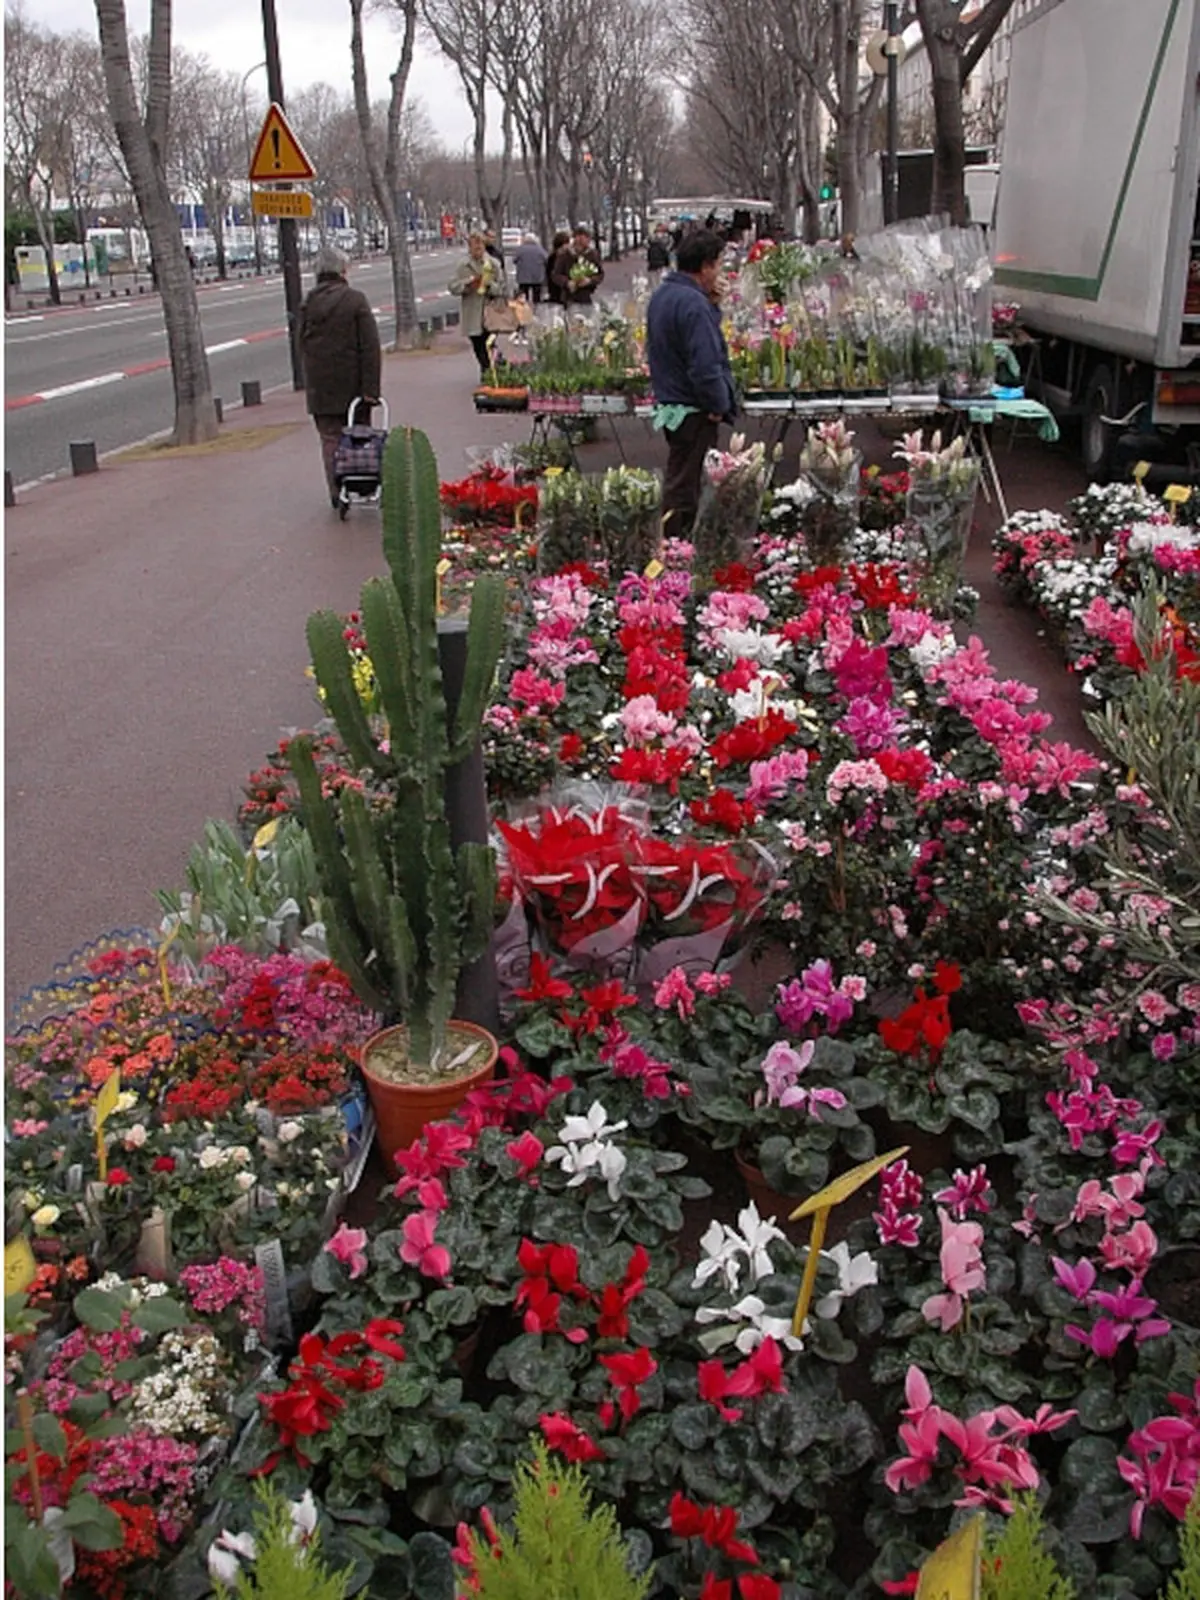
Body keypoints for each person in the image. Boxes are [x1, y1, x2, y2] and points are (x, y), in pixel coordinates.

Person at [645, 228, 736, 539]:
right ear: (705, 266)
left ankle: (675, 542)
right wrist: (717, 404)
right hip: (693, 408)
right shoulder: (692, 304)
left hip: (673, 403)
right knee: (688, 484)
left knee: (681, 475)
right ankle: (677, 546)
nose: (720, 272)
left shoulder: (664, 295)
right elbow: (704, 364)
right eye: (719, 265)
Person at [298, 244, 382, 509]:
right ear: (343, 270)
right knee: (359, 435)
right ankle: (363, 485)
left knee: (329, 438)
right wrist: (371, 389)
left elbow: (301, 343)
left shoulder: (308, 303)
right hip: (353, 386)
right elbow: (370, 347)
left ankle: (336, 491)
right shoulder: (355, 300)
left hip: (320, 387)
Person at [448, 231, 509, 379]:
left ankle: (490, 370)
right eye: (474, 246)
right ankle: (487, 367)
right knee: (477, 343)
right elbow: (452, 286)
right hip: (472, 310)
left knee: (488, 342)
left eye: (480, 245)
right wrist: (467, 285)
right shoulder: (463, 265)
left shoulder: (493, 264)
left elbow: (502, 287)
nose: (477, 249)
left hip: (490, 310)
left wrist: (489, 285)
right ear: (469, 248)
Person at [551, 224, 604, 307]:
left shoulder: (592, 254)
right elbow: (555, 274)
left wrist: (590, 280)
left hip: (588, 296)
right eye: (578, 238)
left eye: (584, 239)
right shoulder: (565, 254)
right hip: (569, 297)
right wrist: (567, 282)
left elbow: (600, 274)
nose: (580, 241)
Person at [513, 231, 548, 304]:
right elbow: (546, 259)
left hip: (523, 276)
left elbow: (514, 260)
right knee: (536, 296)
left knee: (523, 296)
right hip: (537, 276)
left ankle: (524, 309)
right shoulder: (539, 249)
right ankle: (536, 309)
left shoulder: (520, 249)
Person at [545, 230, 571, 307]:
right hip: (557, 290)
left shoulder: (568, 256)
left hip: (564, 290)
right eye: (567, 243)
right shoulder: (553, 258)